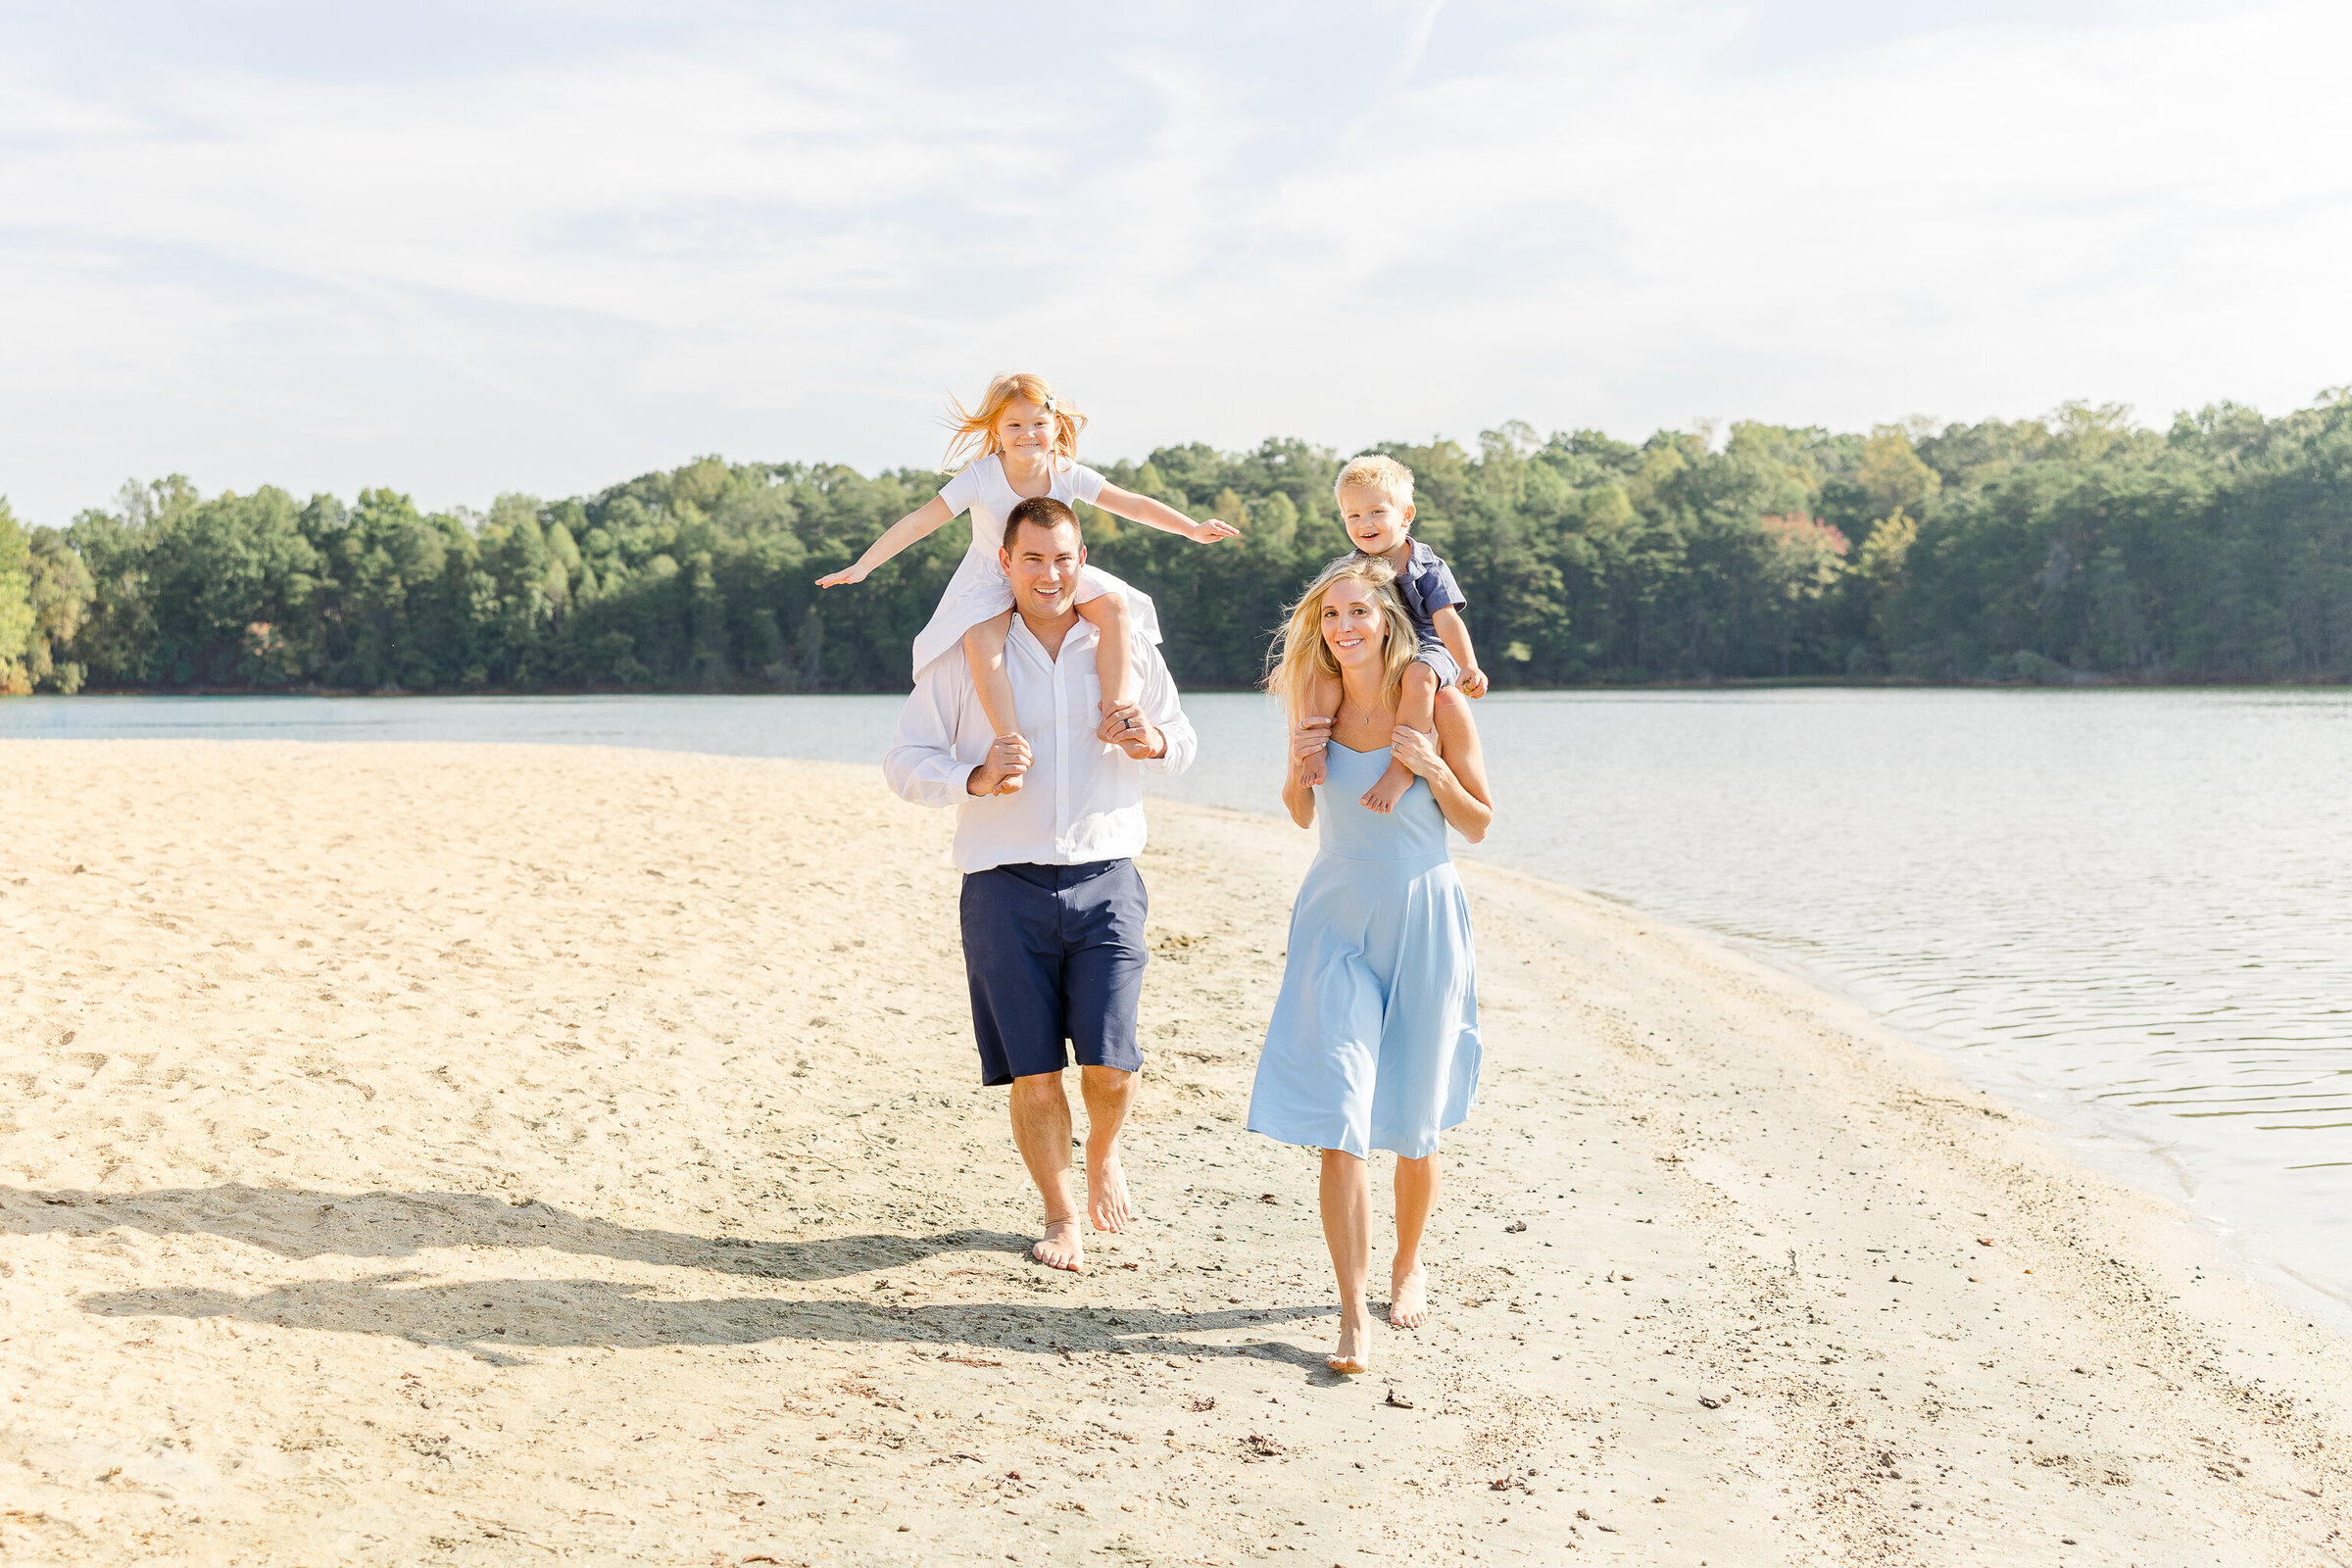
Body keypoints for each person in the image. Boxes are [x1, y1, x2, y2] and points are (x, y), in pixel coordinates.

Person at [883, 495, 1197, 1274]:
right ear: (1006, 564)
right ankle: (1061, 1218)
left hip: (1108, 876)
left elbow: (1184, 741)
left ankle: (1105, 1155)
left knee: (1112, 1065)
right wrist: (975, 776)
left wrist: (1152, 740)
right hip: (1000, 886)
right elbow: (904, 762)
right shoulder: (968, 658)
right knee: (1034, 1074)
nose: (1050, 574)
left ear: (1082, 560)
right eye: (1033, 559)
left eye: (1063, 558)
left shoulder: (1123, 649)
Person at [1248, 552, 1494, 1375]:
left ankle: (1406, 1263)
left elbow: (1480, 824)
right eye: (1332, 615)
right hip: (1336, 920)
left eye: (1360, 612)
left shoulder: (1438, 704)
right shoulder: (1313, 703)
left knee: (1413, 1129)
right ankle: (1351, 1317)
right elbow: (1298, 811)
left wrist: (1427, 768)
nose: (1345, 627)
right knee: (1340, 1123)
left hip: (1423, 916)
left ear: (1389, 619)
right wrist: (1298, 765)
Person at [821, 372, 1236, 794]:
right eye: (1014, 425)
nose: (1027, 434)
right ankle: (1011, 746)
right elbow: (921, 521)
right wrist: (864, 566)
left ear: (1056, 426)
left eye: (1038, 423)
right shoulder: (981, 476)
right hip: (992, 575)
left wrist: (1192, 529)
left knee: (1113, 607)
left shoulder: (1066, 471)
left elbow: (1133, 504)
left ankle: (1116, 713)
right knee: (981, 640)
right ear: (996, 430)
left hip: (1052, 571)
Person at [1296, 455, 1488, 812]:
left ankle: (1400, 769)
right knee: (1323, 672)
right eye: (1353, 515)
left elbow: (1447, 621)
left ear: (1406, 515)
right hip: (1377, 651)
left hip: (1425, 647)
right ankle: (1314, 751)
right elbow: (1321, 621)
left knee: (1418, 675)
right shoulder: (1351, 568)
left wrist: (1468, 665)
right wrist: (1291, 667)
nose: (1364, 523)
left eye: (1376, 512)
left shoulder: (1428, 567)